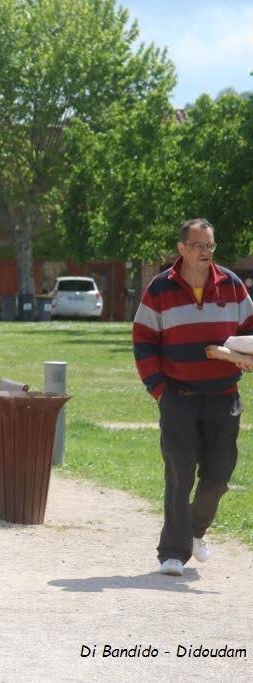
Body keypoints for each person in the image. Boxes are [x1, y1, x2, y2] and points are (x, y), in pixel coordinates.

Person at [133, 218, 253, 577]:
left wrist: (241, 356)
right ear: (182, 248)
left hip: (223, 397)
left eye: (210, 245)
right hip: (178, 397)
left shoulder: (231, 285)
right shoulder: (159, 288)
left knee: (219, 475)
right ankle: (172, 553)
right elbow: (143, 341)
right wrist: (160, 392)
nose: (206, 252)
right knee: (179, 474)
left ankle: (195, 531)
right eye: (199, 245)